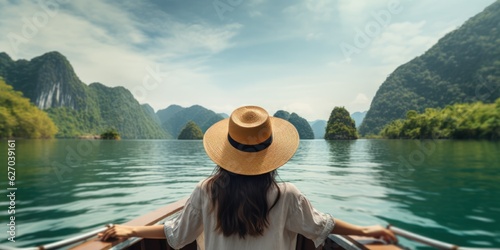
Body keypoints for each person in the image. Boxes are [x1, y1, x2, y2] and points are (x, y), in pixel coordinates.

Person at [99, 105, 397, 249]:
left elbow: (176, 233)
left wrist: (130, 230)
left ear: (227, 152)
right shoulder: (287, 195)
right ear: (271, 154)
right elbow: (323, 225)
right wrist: (366, 230)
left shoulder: (207, 191)